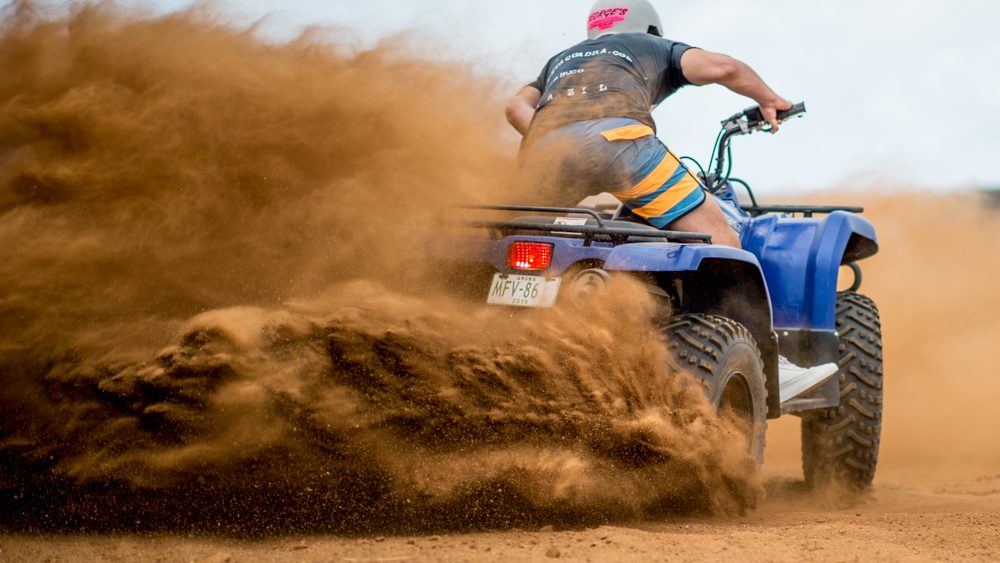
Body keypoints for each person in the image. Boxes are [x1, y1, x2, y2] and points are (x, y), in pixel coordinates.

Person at [506, 0, 792, 248]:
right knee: (720, 239)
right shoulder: (653, 46)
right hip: (619, 141)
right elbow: (725, 68)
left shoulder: (561, 59)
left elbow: (515, 106)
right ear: (651, 28)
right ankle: (725, 311)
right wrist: (769, 100)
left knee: (522, 235)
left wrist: (564, 135)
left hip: (546, 149)